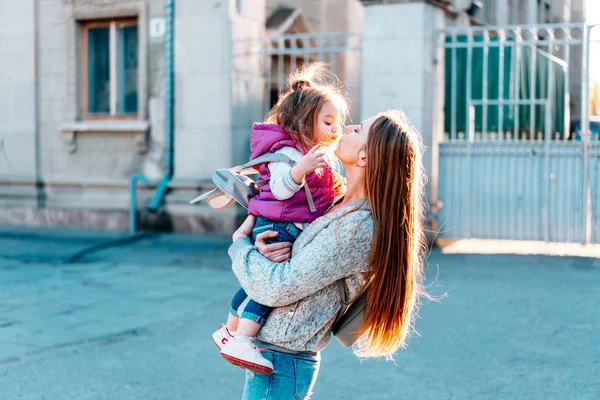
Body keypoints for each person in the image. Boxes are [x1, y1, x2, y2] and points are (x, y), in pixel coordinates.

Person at [227, 109, 428, 399]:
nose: (346, 129)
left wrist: (241, 246)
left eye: (357, 130)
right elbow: (297, 263)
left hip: (284, 361)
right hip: (274, 355)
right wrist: (264, 250)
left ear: (364, 158)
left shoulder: (358, 227)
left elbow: (279, 287)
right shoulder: (335, 201)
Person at [212, 63, 349, 374]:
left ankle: (230, 330)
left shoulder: (309, 153)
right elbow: (280, 189)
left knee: (253, 286)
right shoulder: (287, 153)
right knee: (266, 287)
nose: (336, 129)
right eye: (328, 122)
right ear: (303, 122)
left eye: (337, 122)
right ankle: (242, 340)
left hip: (285, 223)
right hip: (277, 225)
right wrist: (301, 170)